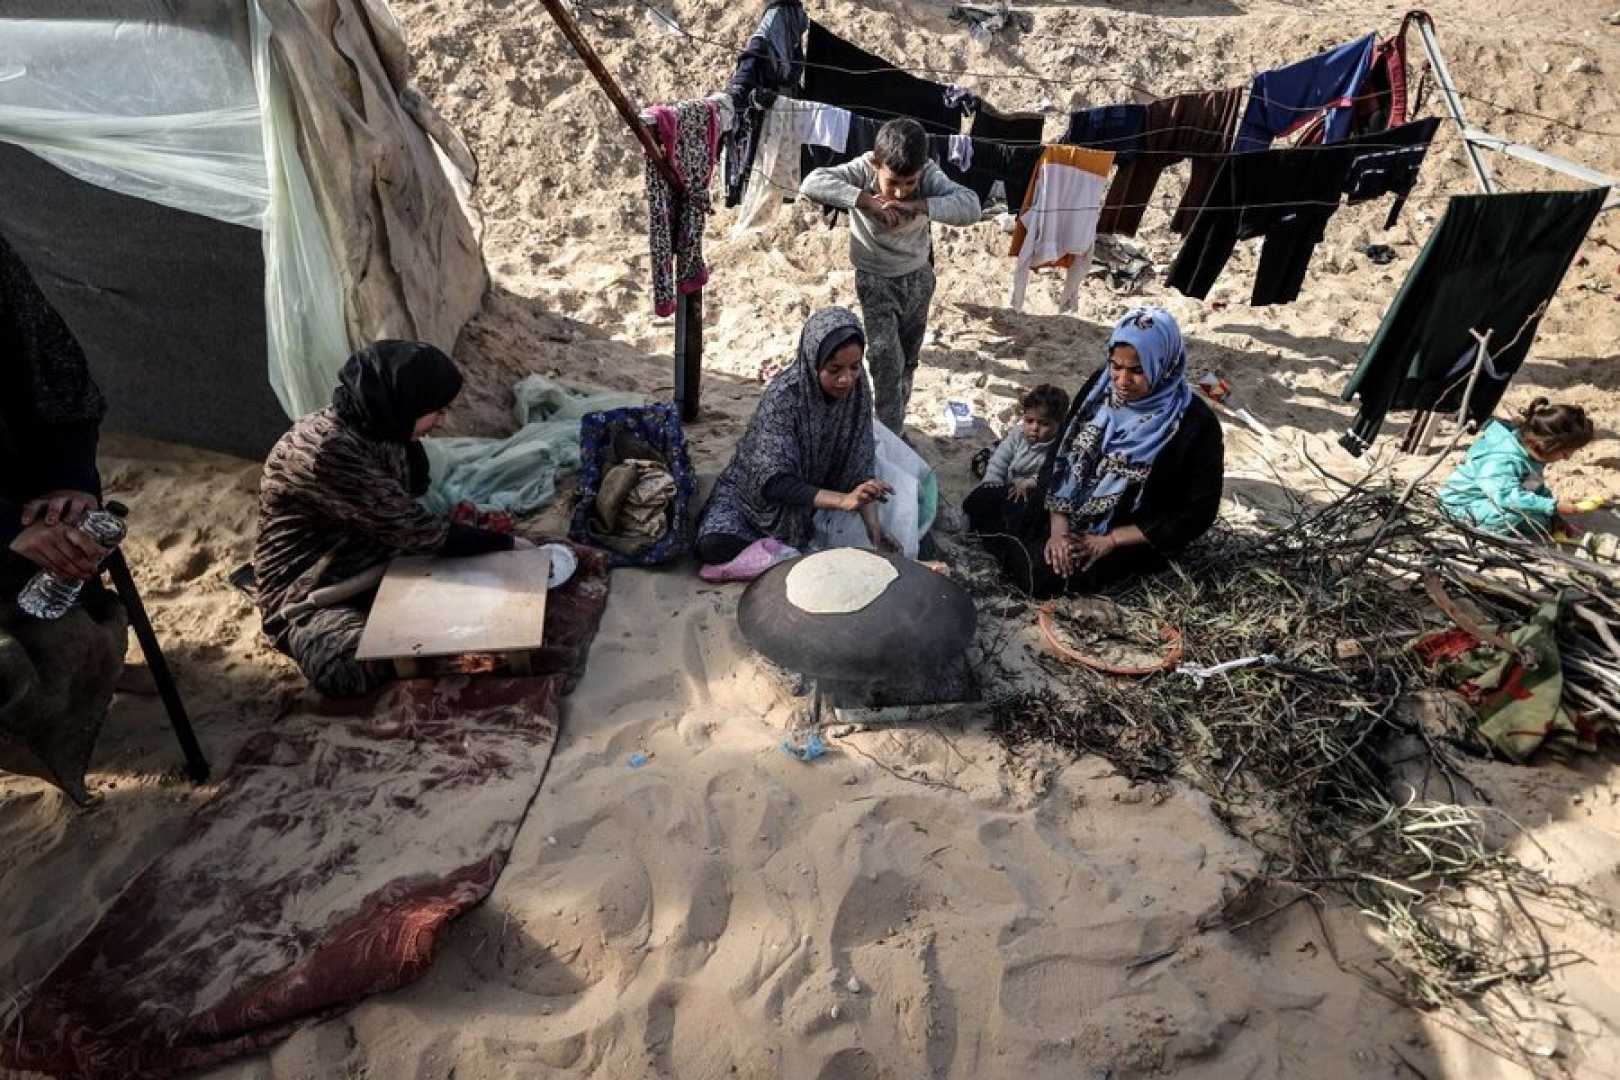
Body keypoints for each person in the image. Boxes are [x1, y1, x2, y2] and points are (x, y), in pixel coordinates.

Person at [253, 341, 525, 698]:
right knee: (349, 666)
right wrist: (508, 545)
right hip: (316, 591)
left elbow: (412, 513)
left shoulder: (380, 424)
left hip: (381, 559)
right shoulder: (327, 452)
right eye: (436, 411)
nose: (440, 422)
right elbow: (420, 532)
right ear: (404, 402)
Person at [2, 234, 128, 802]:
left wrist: (70, 481)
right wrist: (7, 531)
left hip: (29, 488)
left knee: (74, 565)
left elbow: (58, 375)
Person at [984, 306, 1224, 598]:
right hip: (1063, 505)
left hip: (1126, 533)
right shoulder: (1100, 389)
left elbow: (1198, 512)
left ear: (1163, 364)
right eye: (1116, 366)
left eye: (1137, 371)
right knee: (982, 503)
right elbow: (1062, 451)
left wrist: (1111, 539)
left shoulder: (1195, 425)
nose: (1122, 381)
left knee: (1042, 578)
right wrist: (1058, 526)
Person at [799, 118, 981, 434]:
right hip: (876, 280)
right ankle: (888, 434)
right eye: (892, 182)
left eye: (909, 182)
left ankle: (894, 423)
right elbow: (813, 182)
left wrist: (918, 205)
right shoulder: (863, 169)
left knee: (908, 360)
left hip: (918, 279)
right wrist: (866, 200)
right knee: (885, 362)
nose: (899, 191)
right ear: (875, 164)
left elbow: (971, 206)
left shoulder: (927, 175)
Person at [696, 307, 897, 567]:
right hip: (756, 504)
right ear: (813, 360)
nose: (846, 379)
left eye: (855, 367)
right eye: (834, 369)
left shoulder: (857, 389)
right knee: (712, 545)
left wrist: (874, 529)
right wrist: (843, 501)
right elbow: (774, 482)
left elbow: (859, 462)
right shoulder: (784, 398)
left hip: (816, 497)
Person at [1438, 397, 1595, 538]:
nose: (1567, 458)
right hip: (1460, 508)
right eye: (1565, 452)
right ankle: (1483, 534)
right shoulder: (1501, 457)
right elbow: (1506, 496)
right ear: (1546, 444)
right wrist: (1553, 506)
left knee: (1540, 520)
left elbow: (1533, 486)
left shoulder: (1533, 455)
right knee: (1518, 510)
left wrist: (1555, 516)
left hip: (1490, 501)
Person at [962, 383, 1069, 536]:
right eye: (1029, 420)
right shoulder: (1019, 434)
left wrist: (1031, 482)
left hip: (1025, 488)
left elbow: (1053, 473)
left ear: (1059, 424)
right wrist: (991, 484)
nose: (1035, 428)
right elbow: (1000, 460)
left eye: (1044, 423)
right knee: (983, 464)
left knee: (1021, 511)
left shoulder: (1058, 447)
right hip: (1008, 477)